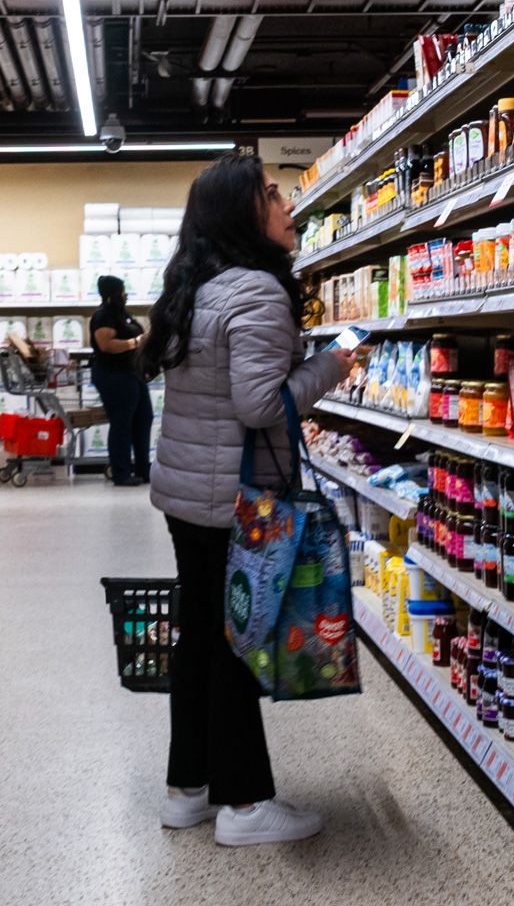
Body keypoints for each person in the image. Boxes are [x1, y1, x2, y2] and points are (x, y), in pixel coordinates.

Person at [144, 156, 360, 846]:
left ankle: (188, 789)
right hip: (234, 501)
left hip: (188, 493)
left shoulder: (195, 287)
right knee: (237, 643)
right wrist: (332, 365)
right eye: (273, 194)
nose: (287, 202)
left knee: (201, 639)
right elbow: (260, 404)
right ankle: (243, 805)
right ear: (244, 214)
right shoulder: (260, 293)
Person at [86, 275, 152, 486]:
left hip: (133, 374)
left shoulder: (123, 314)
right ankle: (121, 473)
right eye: (122, 291)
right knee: (122, 423)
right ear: (113, 293)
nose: (125, 295)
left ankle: (143, 469)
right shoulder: (103, 316)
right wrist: (135, 342)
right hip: (114, 376)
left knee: (144, 418)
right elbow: (106, 345)